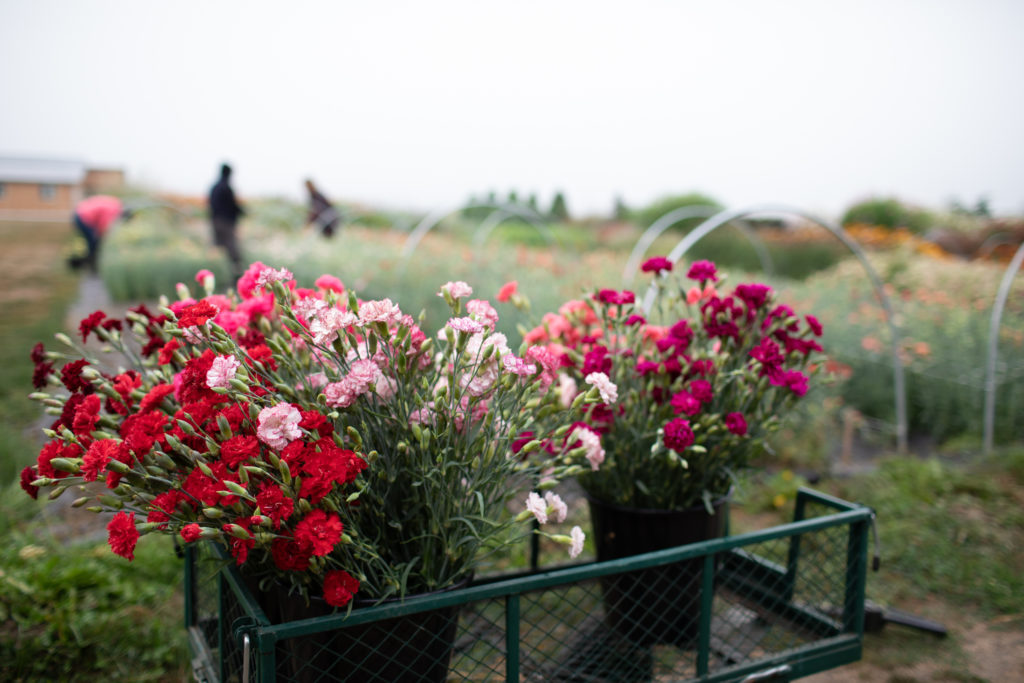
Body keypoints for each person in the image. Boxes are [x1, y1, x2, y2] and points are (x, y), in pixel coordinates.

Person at [69, 194, 125, 272]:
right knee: (93, 242)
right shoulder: (115, 209)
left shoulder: (114, 203)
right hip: (83, 217)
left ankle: (90, 263)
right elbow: (102, 225)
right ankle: (93, 266)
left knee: (91, 242)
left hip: (79, 213)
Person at [208, 163, 245, 279]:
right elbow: (233, 206)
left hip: (216, 221)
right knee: (233, 251)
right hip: (226, 223)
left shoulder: (214, 187)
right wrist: (243, 212)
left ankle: (217, 275)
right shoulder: (226, 188)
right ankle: (235, 276)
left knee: (218, 249)